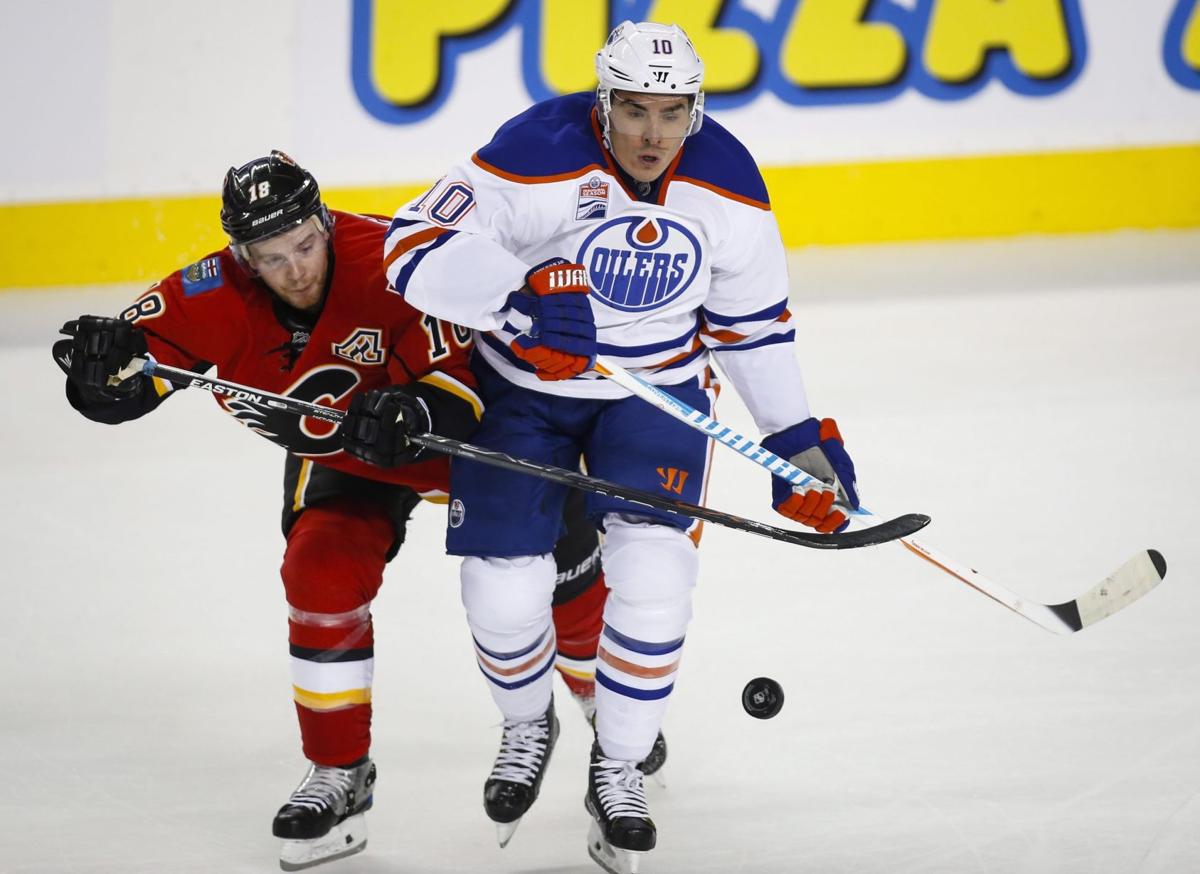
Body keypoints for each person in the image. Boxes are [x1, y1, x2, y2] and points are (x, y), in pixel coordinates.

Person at [52, 151, 661, 872]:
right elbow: (129, 384)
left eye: (305, 245)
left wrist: (415, 405)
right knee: (319, 573)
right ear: (243, 257)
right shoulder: (210, 294)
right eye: (270, 258)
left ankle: (613, 717)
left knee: (559, 566)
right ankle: (339, 772)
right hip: (349, 461)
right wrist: (99, 371)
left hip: (467, 440)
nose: (295, 270)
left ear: (325, 223)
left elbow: (464, 386)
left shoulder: (390, 263)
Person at [379, 20, 861, 874]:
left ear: (696, 110)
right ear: (603, 102)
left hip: (659, 395)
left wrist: (795, 439)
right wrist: (515, 295)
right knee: (501, 587)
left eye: (672, 114)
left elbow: (751, 323)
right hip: (522, 392)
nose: (651, 134)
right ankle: (529, 724)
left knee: (654, 575)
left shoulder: (729, 181)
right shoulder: (539, 149)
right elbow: (409, 244)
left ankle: (621, 762)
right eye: (633, 110)